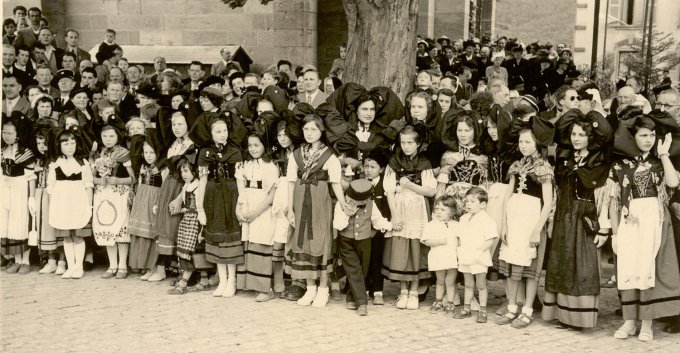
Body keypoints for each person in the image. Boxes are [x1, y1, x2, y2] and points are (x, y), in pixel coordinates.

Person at [608, 116, 680, 341]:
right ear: (633, 137)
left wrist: (665, 153)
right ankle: (629, 322)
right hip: (629, 220)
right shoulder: (620, 165)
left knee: (647, 268)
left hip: (654, 219)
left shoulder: (659, 163)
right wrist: (615, 232)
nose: (648, 140)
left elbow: (672, 183)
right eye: (643, 135)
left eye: (651, 135)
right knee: (629, 268)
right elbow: (613, 202)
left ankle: (647, 324)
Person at [542, 110, 613, 329]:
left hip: (585, 219)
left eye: (581, 134)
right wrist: (553, 218)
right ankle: (563, 316)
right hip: (564, 217)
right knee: (562, 263)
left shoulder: (598, 162)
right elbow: (557, 193)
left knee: (582, 266)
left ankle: (580, 319)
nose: (576, 138)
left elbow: (605, 197)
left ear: (590, 137)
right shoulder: (565, 159)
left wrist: (604, 228)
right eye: (574, 134)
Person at [496, 119, 555, 328]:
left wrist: (536, 230)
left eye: (528, 142)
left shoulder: (544, 168)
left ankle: (527, 310)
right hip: (514, 218)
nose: (524, 146)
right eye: (521, 142)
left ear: (537, 144)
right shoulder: (515, 166)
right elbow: (506, 197)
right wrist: (503, 225)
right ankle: (512, 306)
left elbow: (548, 202)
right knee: (511, 265)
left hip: (531, 222)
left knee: (530, 270)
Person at [285, 114, 347, 308]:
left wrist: (344, 203)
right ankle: (309, 287)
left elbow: (336, 183)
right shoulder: (296, 154)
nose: (310, 133)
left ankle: (323, 289)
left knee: (320, 241)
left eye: (314, 129)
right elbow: (290, 182)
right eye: (306, 129)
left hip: (320, 202)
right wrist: (290, 207)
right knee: (301, 241)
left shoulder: (329, 155)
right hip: (300, 199)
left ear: (321, 131)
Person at [382, 125, 436, 310]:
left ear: (418, 143)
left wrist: (410, 185)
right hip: (400, 210)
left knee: (416, 250)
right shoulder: (394, 163)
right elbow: (389, 191)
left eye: (410, 143)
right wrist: (394, 216)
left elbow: (430, 190)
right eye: (403, 142)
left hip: (418, 212)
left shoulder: (424, 164)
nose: (406, 146)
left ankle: (414, 291)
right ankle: (403, 291)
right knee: (400, 249)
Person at [196, 117, 244, 298]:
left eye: (224, 130)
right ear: (211, 133)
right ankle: (222, 279)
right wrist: (200, 208)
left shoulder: (235, 151)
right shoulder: (204, 153)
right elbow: (202, 181)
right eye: (218, 131)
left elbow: (240, 179)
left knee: (230, 236)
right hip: (212, 196)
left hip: (230, 195)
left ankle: (232, 280)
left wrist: (241, 202)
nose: (222, 134)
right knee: (216, 235)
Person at [235, 120, 280, 302]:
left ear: (264, 145)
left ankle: (265, 288)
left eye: (257, 145)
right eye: (250, 145)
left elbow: (271, 195)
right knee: (248, 244)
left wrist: (256, 212)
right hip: (246, 205)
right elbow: (241, 189)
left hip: (262, 211)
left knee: (261, 244)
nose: (253, 149)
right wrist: (239, 208)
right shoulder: (245, 165)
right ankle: (248, 283)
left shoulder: (270, 167)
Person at [149, 111, 194, 282]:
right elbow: (167, 171)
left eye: (180, 124)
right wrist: (160, 197)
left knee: (176, 227)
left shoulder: (191, 146)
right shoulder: (173, 145)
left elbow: (190, 175)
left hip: (182, 187)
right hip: (169, 185)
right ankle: (161, 267)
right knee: (164, 223)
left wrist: (179, 197)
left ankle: (174, 269)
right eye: (174, 124)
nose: (176, 128)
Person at [47, 129, 93, 279]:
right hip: (62, 204)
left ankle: (79, 267)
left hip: (78, 203)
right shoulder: (55, 164)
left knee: (78, 235)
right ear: (59, 145)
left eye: (73, 143)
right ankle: (70, 266)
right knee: (66, 236)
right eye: (66, 143)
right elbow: (51, 187)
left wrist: (89, 205)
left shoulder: (83, 163)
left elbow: (88, 185)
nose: (70, 146)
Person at [92, 124, 134, 279]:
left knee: (120, 228)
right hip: (103, 194)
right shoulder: (98, 153)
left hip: (119, 194)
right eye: (105, 136)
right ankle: (112, 265)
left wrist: (118, 179)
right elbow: (92, 177)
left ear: (118, 136)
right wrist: (99, 180)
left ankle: (122, 265)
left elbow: (133, 178)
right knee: (108, 228)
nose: (108, 140)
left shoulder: (124, 153)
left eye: (111, 136)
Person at [454, 187, 498, 323]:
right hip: (466, 255)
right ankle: (467, 309)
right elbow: (459, 237)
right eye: (466, 201)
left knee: (481, 284)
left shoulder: (487, 220)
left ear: (483, 204)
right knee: (468, 284)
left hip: (479, 257)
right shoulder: (463, 218)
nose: (468, 204)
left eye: (472, 202)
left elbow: (490, 239)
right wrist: (459, 249)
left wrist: (479, 251)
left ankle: (483, 310)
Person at [1, 115, 36, 274]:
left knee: (21, 222)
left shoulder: (25, 153)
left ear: (18, 134)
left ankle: (25, 260)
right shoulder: (3, 151)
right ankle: (15, 259)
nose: (5, 135)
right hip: (5, 189)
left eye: (9, 133)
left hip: (20, 188)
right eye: (3, 132)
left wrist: (32, 197)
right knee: (9, 224)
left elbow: (31, 177)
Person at [128, 136, 164, 278]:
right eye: (146, 152)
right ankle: (141, 264)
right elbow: (140, 183)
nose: (149, 156)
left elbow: (164, 187)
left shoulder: (161, 169)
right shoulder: (143, 167)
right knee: (140, 231)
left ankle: (152, 266)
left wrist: (159, 202)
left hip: (154, 199)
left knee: (151, 231)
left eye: (152, 152)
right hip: (142, 199)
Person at [167, 157, 204, 294]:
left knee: (191, 250)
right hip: (187, 219)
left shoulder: (198, 186)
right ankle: (202, 280)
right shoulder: (187, 186)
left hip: (195, 221)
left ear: (194, 171)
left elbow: (198, 207)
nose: (184, 174)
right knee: (186, 249)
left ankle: (184, 283)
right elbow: (187, 206)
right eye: (182, 171)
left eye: (186, 171)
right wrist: (179, 209)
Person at [421, 195, 460, 314]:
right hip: (438, 257)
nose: (439, 212)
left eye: (443, 210)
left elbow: (460, 241)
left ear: (452, 211)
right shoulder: (431, 224)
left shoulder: (456, 224)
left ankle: (450, 303)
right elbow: (426, 240)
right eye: (437, 209)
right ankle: (438, 301)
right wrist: (439, 241)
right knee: (440, 280)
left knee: (450, 281)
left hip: (453, 258)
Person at [363, 149, 391, 305]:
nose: (368, 170)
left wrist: (382, 226)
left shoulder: (385, 185)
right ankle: (365, 289)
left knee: (377, 259)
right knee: (365, 259)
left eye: (372, 167)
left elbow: (387, 209)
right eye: (366, 166)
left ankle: (378, 291)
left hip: (380, 230)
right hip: (363, 230)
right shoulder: (360, 184)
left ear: (381, 169)